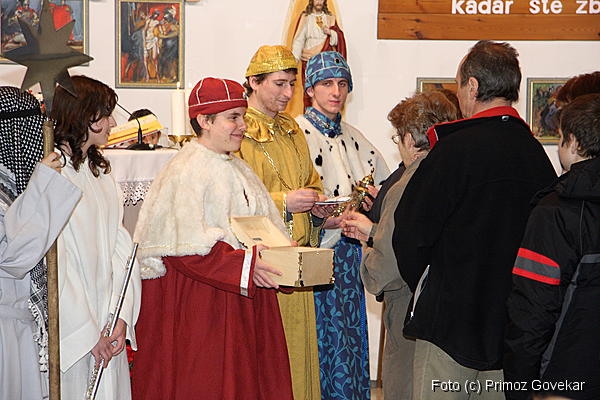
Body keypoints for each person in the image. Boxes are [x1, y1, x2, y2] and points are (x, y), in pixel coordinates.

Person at [392, 40, 557, 399]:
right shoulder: (537, 157)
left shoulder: (453, 150)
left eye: (458, 84)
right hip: (507, 327)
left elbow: (410, 234)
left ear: (473, 86)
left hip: (449, 325)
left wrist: (433, 285)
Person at [131, 77, 293, 400]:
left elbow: (265, 227)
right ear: (204, 121)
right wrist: (244, 265)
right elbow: (183, 247)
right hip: (204, 304)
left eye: (242, 116)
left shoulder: (240, 169)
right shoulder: (185, 169)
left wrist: (284, 258)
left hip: (241, 293)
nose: (243, 125)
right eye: (233, 117)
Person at [342, 90, 461, 400]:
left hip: (410, 311)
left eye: (397, 139)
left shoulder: (407, 185)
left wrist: (368, 246)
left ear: (409, 139)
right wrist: (376, 232)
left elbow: (383, 270)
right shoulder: (460, 172)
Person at [294, 50, 389, 398]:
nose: (336, 92)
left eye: (342, 84)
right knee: (319, 338)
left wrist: (373, 204)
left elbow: (383, 190)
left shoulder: (355, 137)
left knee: (349, 336)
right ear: (310, 89)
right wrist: (318, 217)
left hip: (349, 255)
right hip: (312, 253)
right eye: (327, 84)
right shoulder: (296, 135)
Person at [238, 44, 327, 399]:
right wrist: (285, 202)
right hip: (265, 265)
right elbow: (236, 200)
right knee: (269, 361)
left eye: (292, 84)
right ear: (253, 82)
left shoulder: (291, 127)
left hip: (297, 258)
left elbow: (311, 182)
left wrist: (318, 207)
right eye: (279, 84)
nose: (289, 94)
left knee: (299, 357)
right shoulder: (239, 128)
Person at [504, 94, 600, 400]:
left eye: (559, 138)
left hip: (565, 376)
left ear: (573, 142)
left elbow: (533, 306)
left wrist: (519, 383)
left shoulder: (556, 211)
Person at [52, 75, 141, 400]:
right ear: (82, 115)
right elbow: (58, 261)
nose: (113, 123)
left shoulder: (100, 172)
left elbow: (121, 247)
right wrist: (87, 332)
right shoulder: (55, 175)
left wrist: (120, 315)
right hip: (76, 328)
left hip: (106, 316)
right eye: (104, 114)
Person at [0, 87, 80, 400]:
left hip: (17, 322)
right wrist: (42, 183)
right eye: (30, 128)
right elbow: (13, 257)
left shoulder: (14, 183)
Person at [291, 0, 346, 111]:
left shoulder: (330, 18)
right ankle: (310, 115)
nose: (319, 2)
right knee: (310, 91)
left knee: (326, 91)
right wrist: (294, 61)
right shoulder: (306, 18)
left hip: (325, 62)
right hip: (309, 60)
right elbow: (299, 40)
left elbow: (338, 38)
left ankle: (326, 114)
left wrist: (330, 33)